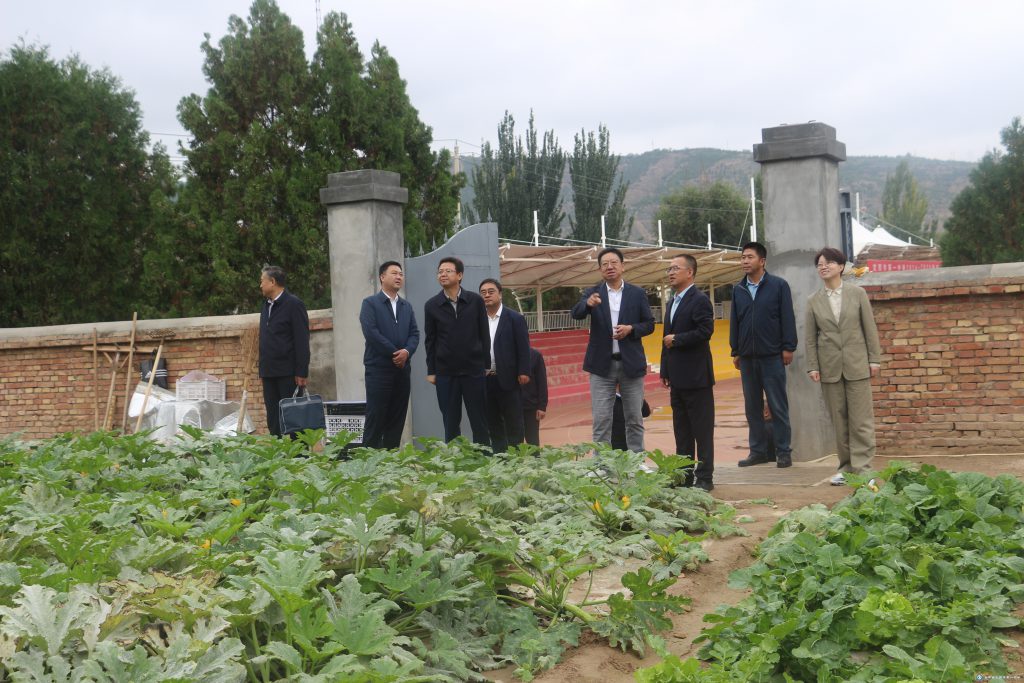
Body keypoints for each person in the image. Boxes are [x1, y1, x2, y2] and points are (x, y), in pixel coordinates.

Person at [805, 246, 882, 486]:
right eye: (819, 264)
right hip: (829, 367)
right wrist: (812, 366)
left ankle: (864, 470)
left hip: (857, 364)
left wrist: (874, 359)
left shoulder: (857, 294)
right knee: (839, 422)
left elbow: (869, 329)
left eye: (828, 262)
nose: (823, 267)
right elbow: (810, 337)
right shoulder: (813, 300)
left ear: (840, 266)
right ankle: (846, 469)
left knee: (861, 421)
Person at [571, 247, 655, 452]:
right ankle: (602, 464)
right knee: (601, 419)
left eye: (614, 262)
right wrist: (588, 305)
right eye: (605, 264)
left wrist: (631, 329)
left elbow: (649, 324)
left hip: (630, 364)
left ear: (622, 266)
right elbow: (576, 313)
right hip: (602, 366)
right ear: (600, 269)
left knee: (634, 417)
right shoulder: (592, 293)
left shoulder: (637, 293)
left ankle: (636, 461)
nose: (609, 267)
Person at [730, 242, 797, 469]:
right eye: (743, 257)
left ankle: (783, 451)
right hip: (747, 358)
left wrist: (788, 347)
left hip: (772, 357)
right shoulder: (738, 289)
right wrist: (736, 350)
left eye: (749, 257)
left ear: (762, 261)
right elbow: (735, 321)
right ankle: (757, 451)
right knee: (752, 408)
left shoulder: (778, 286)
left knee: (778, 406)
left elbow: (787, 317)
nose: (745, 261)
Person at [660, 254, 717, 490]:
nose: (671, 272)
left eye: (676, 268)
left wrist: (678, 339)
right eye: (669, 269)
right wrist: (665, 369)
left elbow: (705, 331)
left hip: (697, 377)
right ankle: (684, 476)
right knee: (681, 430)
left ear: (690, 272)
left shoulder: (699, 300)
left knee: (701, 431)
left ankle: (705, 478)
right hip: (677, 378)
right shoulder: (672, 301)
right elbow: (665, 338)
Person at [424, 256, 491, 446]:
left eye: (448, 271)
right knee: (450, 422)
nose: (443, 274)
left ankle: (483, 457)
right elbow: (430, 340)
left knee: (479, 420)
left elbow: (484, 334)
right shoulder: (432, 305)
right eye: (440, 272)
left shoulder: (475, 301)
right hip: (446, 373)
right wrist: (431, 370)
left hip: (474, 370)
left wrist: (486, 365)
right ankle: (455, 459)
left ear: (460, 275)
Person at [359, 261, 419, 449]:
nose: (399, 276)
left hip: (402, 370)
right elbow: (371, 333)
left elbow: (415, 334)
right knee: (376, 416)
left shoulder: (406, 306)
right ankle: (368, 458)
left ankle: (391, 458)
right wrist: (395, 354)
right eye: (394, 273)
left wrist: (406, 352)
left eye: (401, 274)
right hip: (379, 370)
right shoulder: (370, 304)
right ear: (382, 277)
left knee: (397, 417)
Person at [479, 279, 531, 453]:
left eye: (491, 291)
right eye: (483, 292)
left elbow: (523, 347)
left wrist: (524, 371)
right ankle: (500, 458)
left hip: (509, 379)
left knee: (514, 423)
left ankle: (516, 459)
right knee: (493, 423)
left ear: (500, 294)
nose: (487, 295)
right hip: (486, 379)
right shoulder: (478, 319)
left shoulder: (515, 318)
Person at [258, 265, 310, 437]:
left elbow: (302, 339)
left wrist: (301, 371)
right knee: (273, 418)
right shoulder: (266, 305)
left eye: (262, 281)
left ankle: (299, 452)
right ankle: (277, 449)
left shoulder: (294, 304)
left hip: (288, 373)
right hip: (269, 371)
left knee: (294, 417)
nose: (260, 285)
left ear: (272, 282)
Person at [521, 347, 548, 447]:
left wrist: (542, 406)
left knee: (532, 441)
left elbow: (542, 381)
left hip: (530, 406)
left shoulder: (535, 355)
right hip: (511, 407)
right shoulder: (507, 355)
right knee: (513, 443)